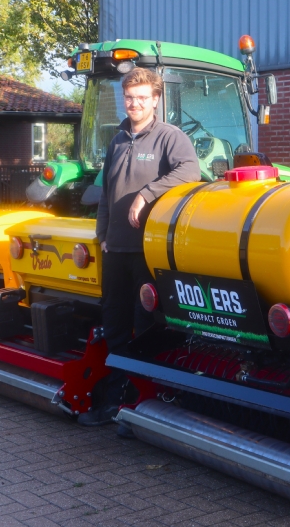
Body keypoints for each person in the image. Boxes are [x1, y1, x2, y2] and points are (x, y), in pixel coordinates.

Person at [78, 67, 201, 427]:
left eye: (142, 98)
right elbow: (105, 194)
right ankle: (115, 403)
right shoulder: (116, 141)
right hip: (115, 251)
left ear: (155, 100)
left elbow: (190, 172)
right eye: (130, 97)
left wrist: (146, 195)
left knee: (146, 329)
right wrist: (102, 233)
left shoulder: (170, 138)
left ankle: (145, 410)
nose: (135, 103)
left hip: (148, 254)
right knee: (114, 328)